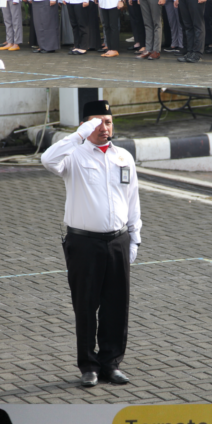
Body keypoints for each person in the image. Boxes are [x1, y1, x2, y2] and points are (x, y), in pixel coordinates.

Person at [40, 99, 141, 387]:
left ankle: (111, 363)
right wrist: (79, 134)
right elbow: (47, 160)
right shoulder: (73, 156)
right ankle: (88, 365)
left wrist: (134, 238)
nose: (103, 127)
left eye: (107, 121)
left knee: (116, 306)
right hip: (84, 243)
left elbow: (132, 200)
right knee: (85, 306)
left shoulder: (123, 157)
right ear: (85, 124)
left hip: (118, 240)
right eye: (97, 122)